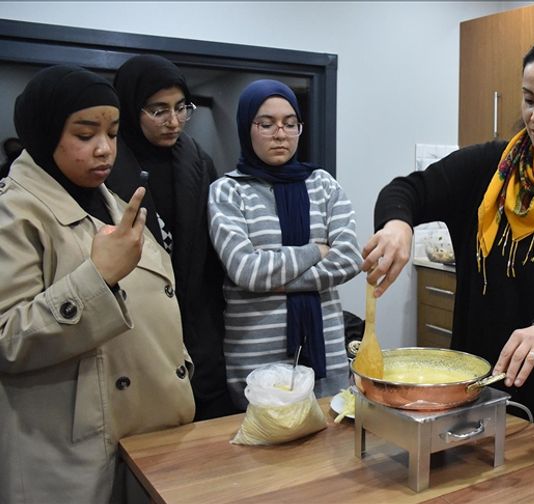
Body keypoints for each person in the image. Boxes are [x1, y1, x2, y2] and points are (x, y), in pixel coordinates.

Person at [362, 32, 534, 447]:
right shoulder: (486, 168)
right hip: (474, 396)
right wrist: (398, 224)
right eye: (529, 99)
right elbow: (407, 190)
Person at [0, 65, 194, 503]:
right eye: (85, 134)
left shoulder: (115, 201)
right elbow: (7, 338)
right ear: (45, 131)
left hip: (152, 434)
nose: (105, 149)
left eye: (113, 132)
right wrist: (98, 277)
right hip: (77, 446)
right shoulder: (15, 213)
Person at [208, 79, 362, 406]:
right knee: (259, 449)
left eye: (290, 124)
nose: (280, 133)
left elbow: (349, 259)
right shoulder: (228, 191)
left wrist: (274, 281)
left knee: (328, 451)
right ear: (245, 127)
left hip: (325, 354)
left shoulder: (323, 185)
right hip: (255, 359)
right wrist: (315, 251)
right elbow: (246, 270)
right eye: (266, 124)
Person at [107, 54, 236, 420]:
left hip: (198, 319)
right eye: (158, 110)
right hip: (136, 325)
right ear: (131, 108)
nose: (174, 121)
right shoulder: (108, 164)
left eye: (182, 107)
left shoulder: (196, 159)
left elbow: (212, 247)